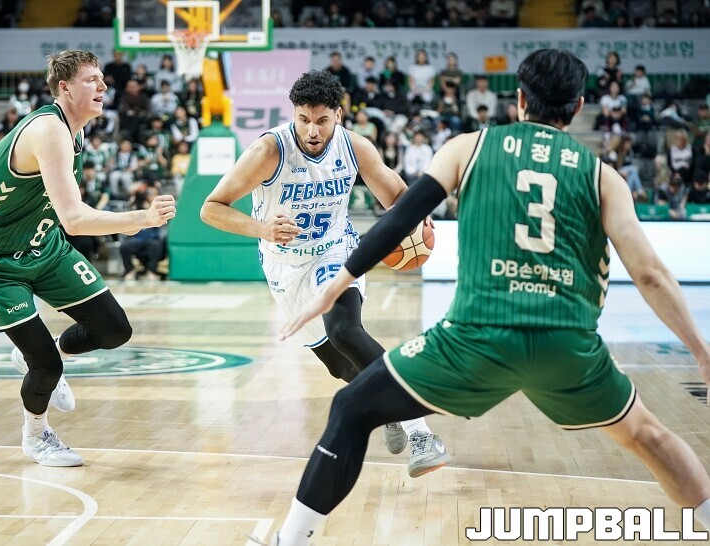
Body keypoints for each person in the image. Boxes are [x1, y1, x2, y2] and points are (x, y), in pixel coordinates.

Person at [268, 49, 710, 545]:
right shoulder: (603, 176)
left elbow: (400, 219)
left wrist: (335, 285)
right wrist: (701, 351)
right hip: (568, 346)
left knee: (351, 408)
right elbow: (650, 274)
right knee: (651, 437)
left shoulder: (468, 148)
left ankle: (291, 540)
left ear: (518, 99)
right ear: (579, 106)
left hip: (475, 340)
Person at [201, 70, 451, 477]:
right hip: (284, 267)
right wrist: (262, 228)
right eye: (303, 119)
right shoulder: (268, 151)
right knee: (339, 366)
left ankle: (421, 433)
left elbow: (397, 194)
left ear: (338, 114)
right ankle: (388, 407)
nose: (312, 130)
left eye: (321, 120)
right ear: (294, 114)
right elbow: (211, 208)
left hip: (337, 252)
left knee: (345, 331)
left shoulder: (355, 147)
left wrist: (416, 213)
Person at [0, 50, 176, 467]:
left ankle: (43, 353)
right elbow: (74, 219)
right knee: (46, 365)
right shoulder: (48, 130)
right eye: (92, 79)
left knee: (114, 329)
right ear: (64, 88)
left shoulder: (74, 132)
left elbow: (62, 210)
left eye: (102, 79)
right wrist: (139, 219)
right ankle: (36, 437)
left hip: (43, 246)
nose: (103, 86)